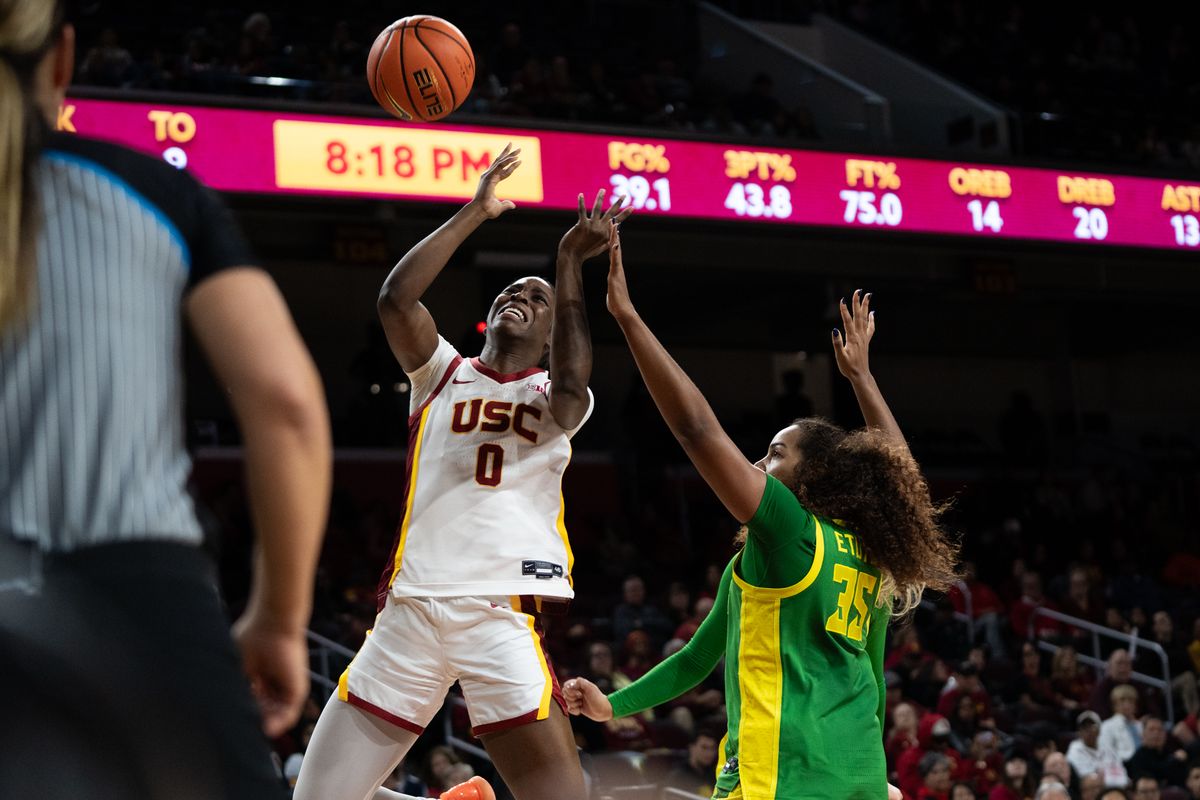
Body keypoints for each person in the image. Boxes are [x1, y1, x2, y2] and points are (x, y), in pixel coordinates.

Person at [0, 2, 332, 799]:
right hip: (142, 600)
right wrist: (281, 621)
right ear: (62, 57)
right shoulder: (151, 191)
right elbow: (285, 404)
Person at [564, 236, 958, 799]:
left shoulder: (791, 532)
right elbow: (699, 658)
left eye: (775, 454)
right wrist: (614, 704)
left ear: (812, 479)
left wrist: (628, 320)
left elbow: (697, 431)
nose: (757, 463)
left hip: (784, 777)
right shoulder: (871, 554)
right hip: (861, 776)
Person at [293, 151, 630, 800]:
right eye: (510, 292)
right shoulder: (440, 373)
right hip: (413, 610)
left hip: (497, 613)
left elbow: (573, 379)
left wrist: (565, 265)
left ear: (553, 328)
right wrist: (475, 211)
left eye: (535, 299)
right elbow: (395, 299)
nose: (518, 299)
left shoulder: (558, 395)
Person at [1067, 710, 1130, 789]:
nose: (1088, 731)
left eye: (1092, 726)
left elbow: (1120, 771)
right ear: (1079, 732)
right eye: (1084, 727)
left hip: (1113, 788)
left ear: (1099, 730)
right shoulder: (1074, 749)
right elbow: (1084, 777)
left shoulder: (1107, 747)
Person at [660, 728, 721, 798]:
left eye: (713, 748)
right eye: (704, 747)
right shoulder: (678, 777)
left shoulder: (715, 774)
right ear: (692, 748)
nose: (709, 753)